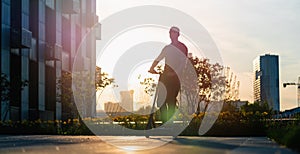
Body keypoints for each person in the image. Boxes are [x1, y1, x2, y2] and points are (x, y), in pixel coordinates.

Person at [148, 26, 188, 123]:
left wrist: (175, 73)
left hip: (176, 78)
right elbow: (159, 58)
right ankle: (165, 120)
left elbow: (183, 62)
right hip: (165, 76)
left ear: (178, 34)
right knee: (161, 99)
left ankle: (170, 119)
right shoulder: (167, 48)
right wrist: (152, 68)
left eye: (174, 33)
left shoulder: (182, 47)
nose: (171, 34)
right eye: (170, 32)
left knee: (170, 99)